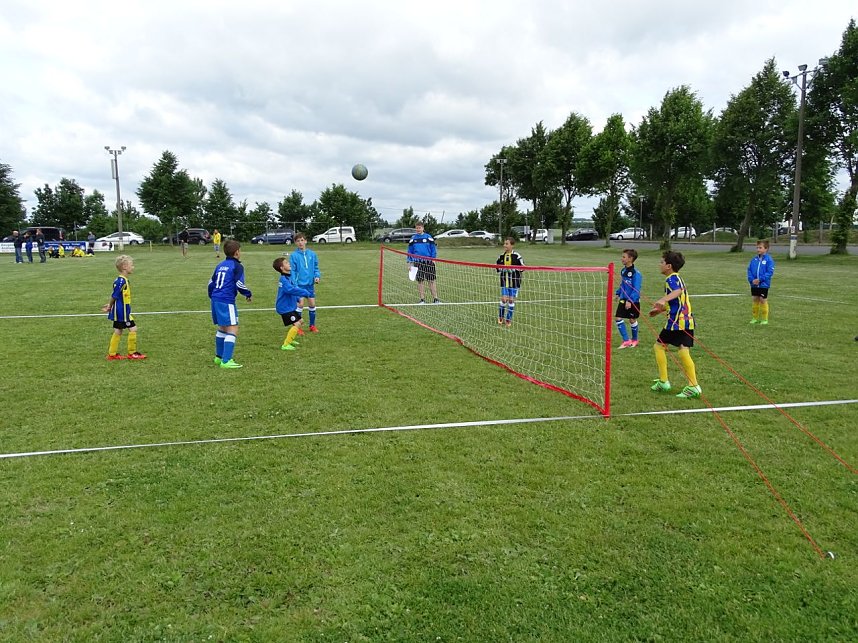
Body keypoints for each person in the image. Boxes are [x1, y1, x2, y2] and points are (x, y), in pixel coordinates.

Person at [649, 251, 701, 399]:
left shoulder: (671, 279)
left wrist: (663, 299)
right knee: (683, 351)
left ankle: (665, 382)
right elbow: (678, 302)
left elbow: (677, 293)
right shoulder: (677, 278)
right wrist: (659, 310)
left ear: (669, 266)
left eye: (661, 262)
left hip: (676, 322)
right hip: (687, 320)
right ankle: (693, 386)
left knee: (659, 346)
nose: (659, 265)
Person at [208, 239, 252, 369]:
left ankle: (219, 357)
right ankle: (226, 361)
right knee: (232, 328)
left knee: (222, 327)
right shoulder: (237, 266)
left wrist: (212, 295)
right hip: (226, 300)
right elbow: (239, 284)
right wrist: (248, 293)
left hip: (216, 299)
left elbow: (211, 282)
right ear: (237, 252)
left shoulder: (220, 265)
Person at [101, 255, 147, 361]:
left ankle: (112, 354)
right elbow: (114, 295)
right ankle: (132, 353)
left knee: (118, 330)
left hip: (123, 310)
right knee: (133, 329)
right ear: (125, 267)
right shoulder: (121, 281)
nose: (133, 267)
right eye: (132, 265)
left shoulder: (122, 280)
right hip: (122, 312)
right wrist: (110, 306)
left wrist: (110, 306)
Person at [273, 256, 313, 350]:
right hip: (284, 308)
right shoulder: (283, 279)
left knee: (301, 321)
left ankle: (291, 339)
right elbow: (290, 290)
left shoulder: (288, 277)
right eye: (286, 263)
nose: (289, 263)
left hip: (289, 307)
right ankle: (286, 345)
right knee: (297, 324)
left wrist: (297, 298)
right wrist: (304, 293)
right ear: (282, 268)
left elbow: (291, 290)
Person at [289, 232, 321, 333]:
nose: (300, 243)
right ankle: (297, 327)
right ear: (295, 243)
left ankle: (312, 326)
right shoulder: (294, 256)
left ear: (306, 241)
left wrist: (317, 276)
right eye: (298, 241)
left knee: (312, 304)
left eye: (302, 240)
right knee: (300, 305)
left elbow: (316, 268)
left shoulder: (312, 254)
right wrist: (294, 283)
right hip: (299, 285)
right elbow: (292, 270)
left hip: (310, 284)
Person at [615, 248, 643, 348]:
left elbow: (636, 288)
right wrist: (618, 293)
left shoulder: (636, 273)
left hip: (633, 300)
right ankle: (626, 340)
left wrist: (630, 301)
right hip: (623, 298)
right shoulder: (623, 271)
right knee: (618, 317)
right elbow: (623, 283)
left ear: (630, 259)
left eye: (624, 257)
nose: (621, 259)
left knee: (632, 319)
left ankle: (635, 340)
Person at [407, 221, 440, 303]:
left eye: (420, 228)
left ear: (423, 228)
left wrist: (433, 259)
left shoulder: (428, 237)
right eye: (417, 228)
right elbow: (409, 252)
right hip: (418, 262)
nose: (418, 229)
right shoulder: (413, 239)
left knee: (431, 280)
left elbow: (433, 249)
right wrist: (409, 263)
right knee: (420, 281)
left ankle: (435, 299)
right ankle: (422, 299)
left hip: (429, 262)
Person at [496, 237, 524, 327]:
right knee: (504, 299)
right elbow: (497, 267)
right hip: (505, 281)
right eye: (504, 244)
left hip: (515, 282)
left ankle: (508, 319)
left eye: (507, 244)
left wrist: (514, 269)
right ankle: (500, 317)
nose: (505, 245)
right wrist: (502, 268)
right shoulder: (501, 256)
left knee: (511, 300)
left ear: (512, 245)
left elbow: (523, 267)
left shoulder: (517, 256)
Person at [747, 239, 775, 325]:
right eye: (757, 247)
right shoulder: (754, 260)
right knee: (755, 299)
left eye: (760, 247)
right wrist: (752, 280)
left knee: (763, 300)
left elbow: (769, 272)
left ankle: (764, 319)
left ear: (766, 249)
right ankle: (754, 318)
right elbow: (749, 270)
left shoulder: (769, 260)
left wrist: (760, 280)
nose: (758, 249)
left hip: (763, 285)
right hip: (754, 285)